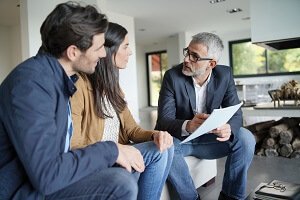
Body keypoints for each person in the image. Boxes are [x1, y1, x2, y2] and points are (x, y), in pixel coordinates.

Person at [0, 2, 139, 200]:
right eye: (98, 48)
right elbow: (47, 175)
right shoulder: (31, 85)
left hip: (43, 181)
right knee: (120, 184)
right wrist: (111, 149)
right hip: (24, 191)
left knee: (129, 166)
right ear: (73, 52)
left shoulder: (57, 80)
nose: (103, 54)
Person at [70, 22, 174, 200]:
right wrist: (114, 149)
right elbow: (73, 146)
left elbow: (132, 130)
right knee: (157, 152)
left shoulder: (113, 86)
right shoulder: (78, 85)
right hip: (100, 160)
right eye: (125, 46)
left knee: (165, 145)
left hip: (118, 154)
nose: (130, 52)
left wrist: (156, 135)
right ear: (108, 50)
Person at [155, 32, 256, 200]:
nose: (186, 59)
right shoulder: (172, 76)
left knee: (245, 138)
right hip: (181, 141)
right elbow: (163, 121)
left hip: (210, 140)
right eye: (187, 52)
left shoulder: (225, 74)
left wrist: (229, 129)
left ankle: (231, 196)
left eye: (194, 56)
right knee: (166, 147)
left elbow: (236, 112)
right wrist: (188, 125)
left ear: (212, 63)